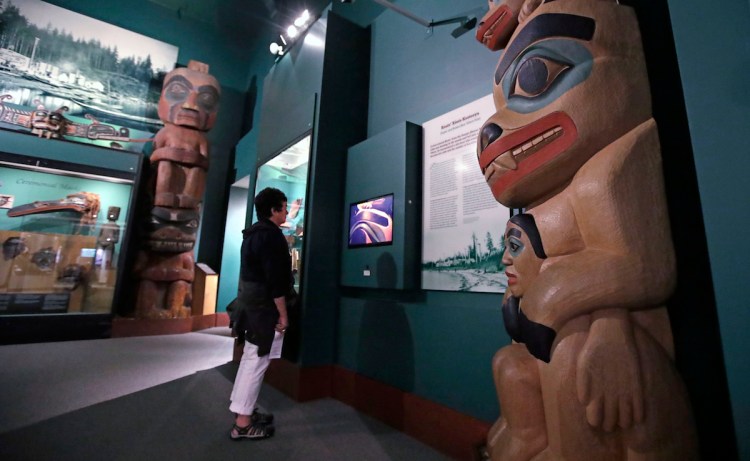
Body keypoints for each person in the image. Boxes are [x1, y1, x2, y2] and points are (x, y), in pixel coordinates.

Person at [228, 187, 292, 440]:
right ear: (274, 210)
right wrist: (283, 314)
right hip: (263, 309)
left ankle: (242, 410)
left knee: (250, 358)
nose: (287, 211)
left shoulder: (253, 234)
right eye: (284, 207)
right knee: (257, 361)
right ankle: (243, 424)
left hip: (251, 304)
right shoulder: (271, 236)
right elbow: (275, 281)